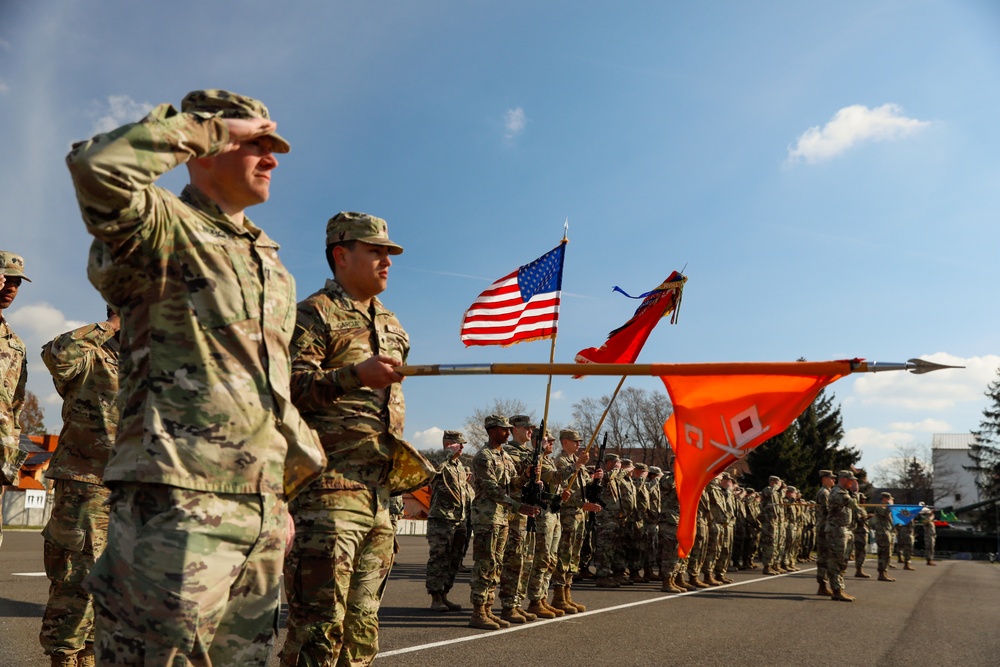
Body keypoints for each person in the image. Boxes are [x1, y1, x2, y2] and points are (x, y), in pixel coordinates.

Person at [67, 89, 327, 665]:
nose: (272, 159)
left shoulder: (272, 262)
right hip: (176, 500)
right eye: (255, 144)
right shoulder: (162, 225)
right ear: (208, 145)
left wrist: (275, 499)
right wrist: (203, 128)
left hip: (258, 508)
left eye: (274, 147)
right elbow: (97, 168)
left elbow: (268, 390)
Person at [281, 211, 434, 666]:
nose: (387, 261)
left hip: (379, 498)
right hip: (327, 494)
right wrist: (353, 375)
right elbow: (284, 388)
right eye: (376, 252)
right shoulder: (312, 314)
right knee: (318, 633)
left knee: (363, 632)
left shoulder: (392, 325)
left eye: (390, 253)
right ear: (341, 255)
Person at [38, 314, 120, 667]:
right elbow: (56, 355)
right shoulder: (91, 354)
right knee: (77, 585)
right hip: (86, 487)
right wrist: (113, 325)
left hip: (132, 495)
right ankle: (65, 658)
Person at [468, 415, 540, 630]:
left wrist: (526, 476)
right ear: (491, 431)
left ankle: (488, 609)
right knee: (485, 565)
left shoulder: (504, 457)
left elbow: (511, 486)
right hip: (487, 518)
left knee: (496, 565)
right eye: (503, 430)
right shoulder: (483, 457)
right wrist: (517, 507)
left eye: (509, 430)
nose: (507, 433)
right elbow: (491, 488)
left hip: (502, 518)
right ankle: (478, 612)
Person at [549, 428, 600, 614]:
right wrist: (581, 504)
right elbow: (561, 490)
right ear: (565, 442)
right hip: (568, 515)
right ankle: (558, 595)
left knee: (574, 555)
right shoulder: (561, 461)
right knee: (564, 554)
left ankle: (567, 593)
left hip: (579, 515)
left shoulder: (577, 462)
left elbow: (583, 486)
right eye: (575, 441)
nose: (579, 444)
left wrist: (594, 479)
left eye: (579, 441)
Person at [0, 257, 29, 551]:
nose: (12, 287)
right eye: (7, 278)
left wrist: (8, 459)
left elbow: (15, 407)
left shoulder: (15, 344)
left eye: (17, 282)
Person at [498, 414, 539, 623]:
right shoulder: (510, 452)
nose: (529, 432)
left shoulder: (530, 453)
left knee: (525, 561)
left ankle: (517, 603)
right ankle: (508, 605)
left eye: (531, 428)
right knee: (513, 560)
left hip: (527, 511)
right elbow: (517, 475)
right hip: (515, 512)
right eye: (526, 428)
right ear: (515, 429)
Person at [426, 430, 470, 612]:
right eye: (459, 444)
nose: (462, 448)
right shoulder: (438, 460)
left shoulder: (459, 466)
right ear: (449, 444)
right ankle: (435, 597)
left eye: (462, 445)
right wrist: (447, 452)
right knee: (439, 558)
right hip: (442, 518)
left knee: (455, 558)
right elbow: (431, 470)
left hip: (460, 518)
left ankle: (445, 594)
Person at [826, 470, 860, 602]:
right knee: (836, 561)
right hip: (836, 531)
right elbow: (853, 504)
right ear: (844, 479)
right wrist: (855, 492)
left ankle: (839, 589)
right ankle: (836, 590)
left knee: (843, 561)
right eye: (850, 480)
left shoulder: (843, 492)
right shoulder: (838, 492)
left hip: (844, 530)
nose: (852, 482)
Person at [814, 470, 835, 595]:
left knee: (825, 557)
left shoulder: (827, 492)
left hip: (825, 526)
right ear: (824, 479)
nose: (833, 480)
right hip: (824, 527)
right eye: (831, 478)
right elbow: (828, 511)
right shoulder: (824, 493)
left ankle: (823, 585)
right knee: (824, 557)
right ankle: (822, 585)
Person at [873, 493, 896, 582]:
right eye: (889, 499)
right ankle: (881, 573)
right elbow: (885, 514)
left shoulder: (886, 507)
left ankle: (885, 572)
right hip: (882, 532)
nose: (891, 501)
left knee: (888, 553)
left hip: (887, 531)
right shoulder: (880, 507)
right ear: (884, 499)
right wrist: (889, 506)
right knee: (883, 553)